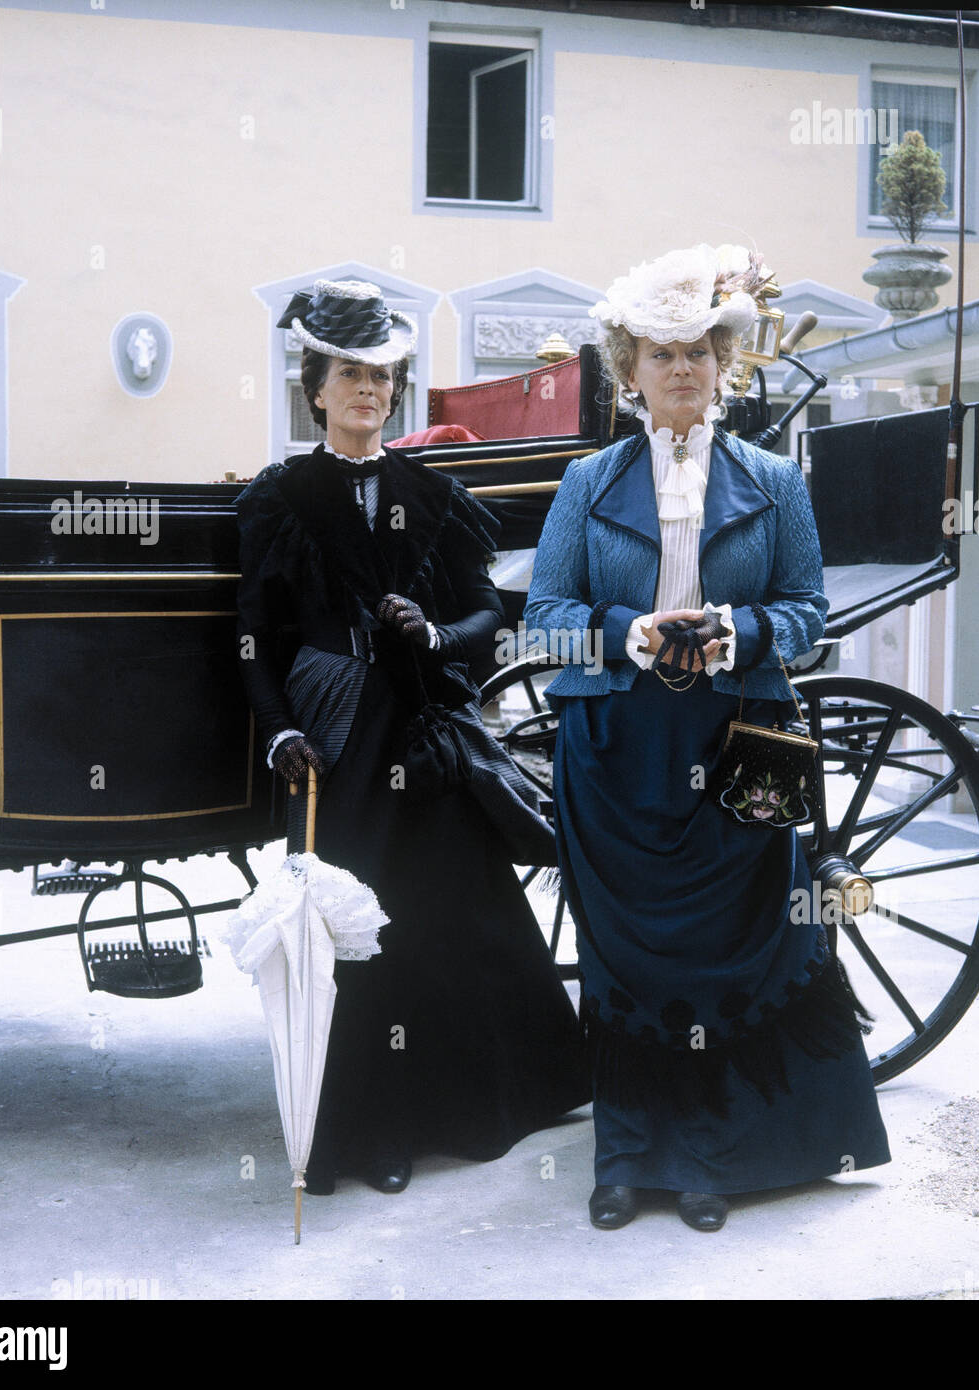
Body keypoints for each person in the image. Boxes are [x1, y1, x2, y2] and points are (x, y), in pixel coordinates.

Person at [522, 243, 890, 1231]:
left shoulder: (773, 482)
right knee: (629, 961)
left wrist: (740, 632)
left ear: (724, 362)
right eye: (659, 352)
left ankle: (708, 1161)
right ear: (628, 369)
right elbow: (542, 617)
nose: (680, 368)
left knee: (734, 954)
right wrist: (627, 633)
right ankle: (624, 1159)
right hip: (616, 748)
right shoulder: (585, 482)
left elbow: (810, 613)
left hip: (749, 735)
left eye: (697, 350)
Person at [236, 279, 587, 1196]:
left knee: (448, 919)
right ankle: (372, 1134)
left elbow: (486, 619)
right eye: (350, 374)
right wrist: (278, 733)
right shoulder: (279, 499)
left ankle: (477, 1109)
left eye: (384, 376)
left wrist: (433, 634)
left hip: (427, 735)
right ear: (315, 388)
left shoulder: (434, 495)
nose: (369, 391)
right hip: (336, 741)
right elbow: (252, 639)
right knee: (356, 936)